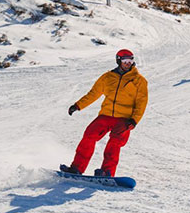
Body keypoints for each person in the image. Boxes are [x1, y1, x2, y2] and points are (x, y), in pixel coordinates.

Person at [60, 49, 148, 177]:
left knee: (115, 142)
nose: (128, 63)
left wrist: (134, 120)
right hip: (106, 115)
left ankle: (107, 172)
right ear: (118, 60)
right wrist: (78, 105)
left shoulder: (139, 80)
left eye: (130, 60)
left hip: (125, 118)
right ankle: (76, 168)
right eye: (125, 60)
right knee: (89, 135)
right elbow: (93, 94)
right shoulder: (108, 77)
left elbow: (142, 102)